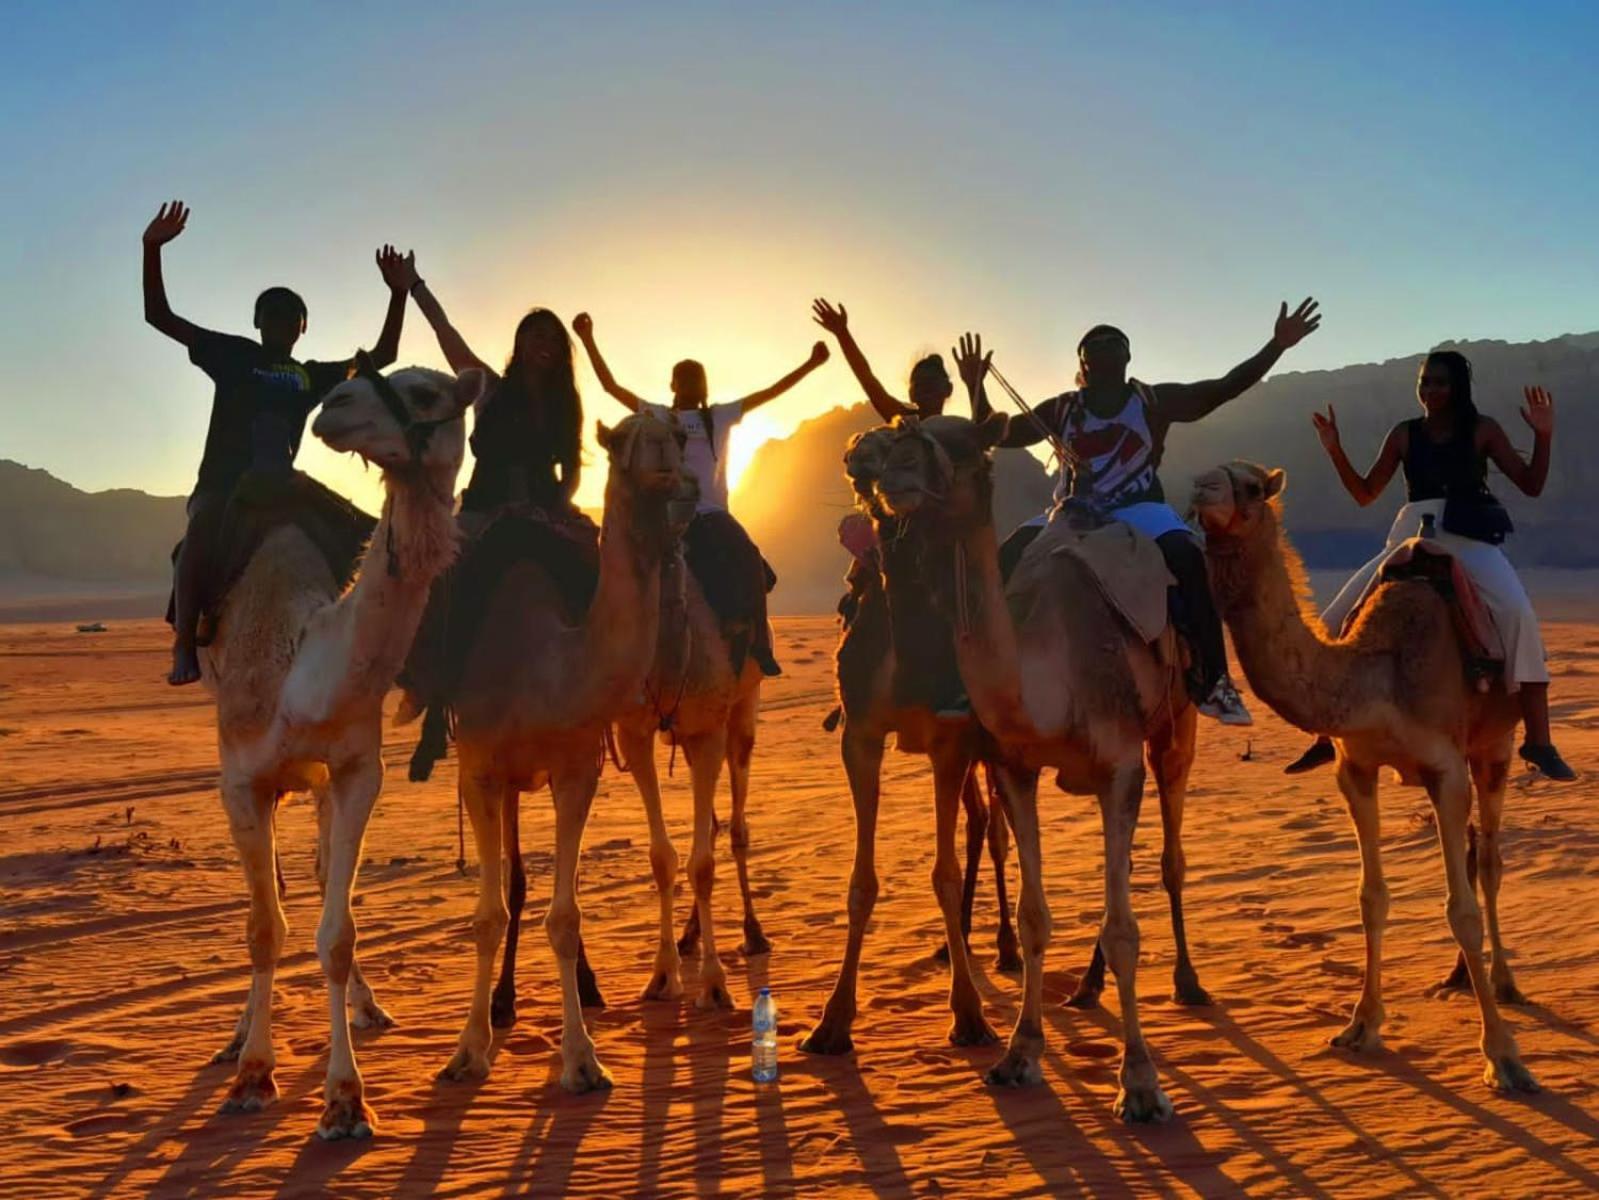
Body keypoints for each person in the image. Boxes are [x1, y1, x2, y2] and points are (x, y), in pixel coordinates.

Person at [971, 300, 1323, 725]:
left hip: (1138, 510)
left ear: (1126, 360)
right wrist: (975, 386)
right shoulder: (1063, 409)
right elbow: (998, 434)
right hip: (1070, 512)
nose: (1103, 360)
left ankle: (1213, 681)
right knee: (1003, 561)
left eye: (1111, 351)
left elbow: (1222, 388)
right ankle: (976, 679)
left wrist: (1276, 346)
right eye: (1094, 354)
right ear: (1083, 365)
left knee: (1189, 560)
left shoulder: (1152, 402)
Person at [142, 200, 412, 685]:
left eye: (292, 317)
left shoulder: (310, 377)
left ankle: (376, 633)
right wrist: (151, 248)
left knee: (368, 529)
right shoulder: (232, 354)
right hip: (224, 485)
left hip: (282, 484)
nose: (283, 322)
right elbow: (158, 316)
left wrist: (400, 294)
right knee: (200, 534)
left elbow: (383, 356)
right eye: (274, 314)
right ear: (258, 321)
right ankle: (184, 643)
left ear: (303, 328)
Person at [1285, 350, 1575, 780]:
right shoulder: (1404, 434)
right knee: (1332, 620)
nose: (1430, 391)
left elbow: (1531, 485)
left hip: (1468, 537)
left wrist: (1544, 435)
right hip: (1409, 535)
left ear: (1457, 387)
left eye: (1439, 383)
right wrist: (1335, 449)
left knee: (1517, 616)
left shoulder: (1482, 430)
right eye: (1424, 382)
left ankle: (1540, 739)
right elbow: (1366, 493)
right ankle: (1327, 733)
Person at [572, 311, 828, 676]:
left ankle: (757, 644)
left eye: (696, 379)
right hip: (666, 514)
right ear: (673, 384)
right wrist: (588, 339)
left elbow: (770, 392)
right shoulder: (658, 415)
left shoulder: (720, 416)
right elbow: (612, 389)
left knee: (750, 560)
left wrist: (811, 364)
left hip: (711, 514)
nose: (691, 384)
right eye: (684, 378)